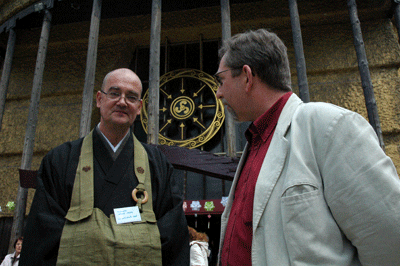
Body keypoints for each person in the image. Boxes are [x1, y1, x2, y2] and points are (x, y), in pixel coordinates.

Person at [215, 29, 400, 265]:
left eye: (221, 80)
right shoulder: (256, 141)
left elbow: (390, 237)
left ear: (247, 76)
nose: (219, 93)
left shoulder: (329, 126)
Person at [20, 68, 189, 265]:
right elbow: (43, 233)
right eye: (115, 93)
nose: (122, 102)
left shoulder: (157, 164)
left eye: (131, 97)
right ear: (99, 99)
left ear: (140, 107)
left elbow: (173, 234)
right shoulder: (60, 159)